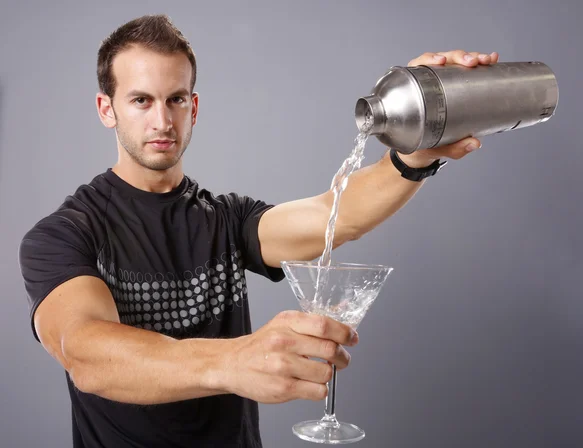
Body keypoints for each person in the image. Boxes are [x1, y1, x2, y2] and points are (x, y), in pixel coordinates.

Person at [18, 14, 497, 448]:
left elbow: (339, 216)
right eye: (140, 100)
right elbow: (86, 354)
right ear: (107, 109)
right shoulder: (63, 235)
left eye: (176, 99)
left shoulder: (226, 220)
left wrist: (417, 148)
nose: (162, 120)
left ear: (194, 106)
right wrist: (233, 362)